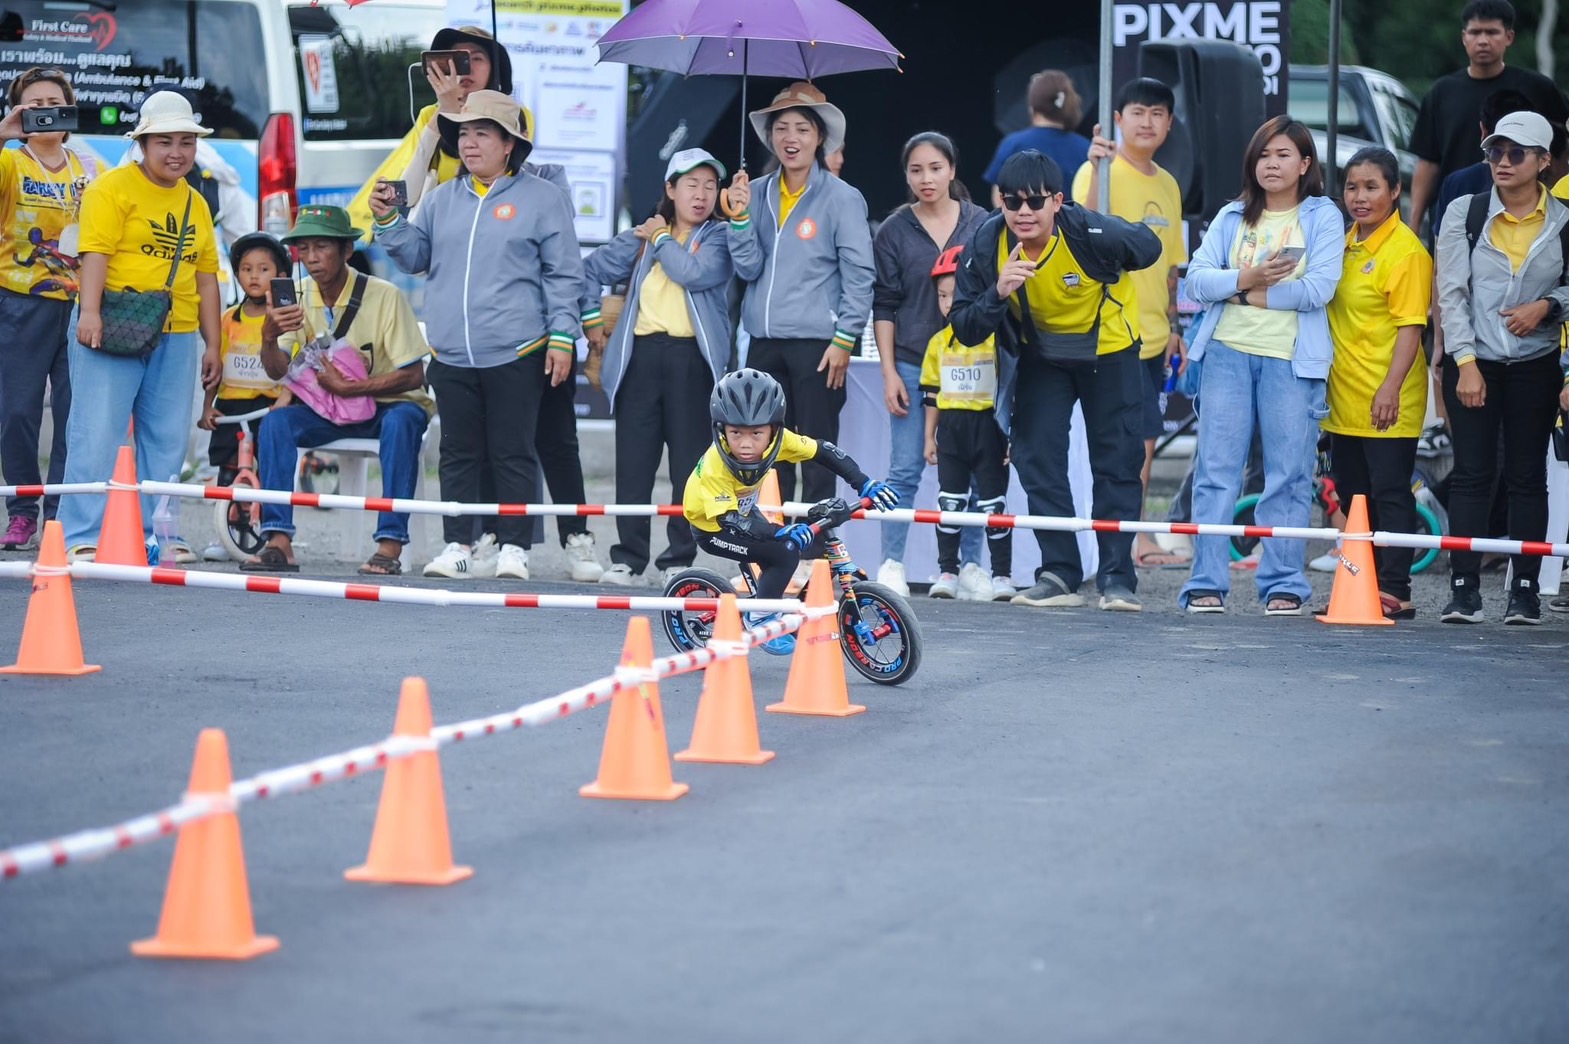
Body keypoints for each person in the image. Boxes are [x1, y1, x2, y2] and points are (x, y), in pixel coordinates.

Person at [372, 91, 581, 581]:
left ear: (510, 144)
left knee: (513, 452)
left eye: (482, 133)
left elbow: (565, 274)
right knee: (456, 453)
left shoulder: (543, 198)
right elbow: (415, 256)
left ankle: (515, 547)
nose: (468, 143)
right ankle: (458, 545)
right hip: (450, 353)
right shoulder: (442, 198)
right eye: (463, 133)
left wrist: (563, 336)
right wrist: (388, 221)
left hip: (518, 349)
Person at [948, 150, 1161, 611]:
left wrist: (1118, 257)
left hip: (1110, 350)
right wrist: (998, 292)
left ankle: (1116, 579)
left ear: (1058, 201)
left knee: (1117, 461)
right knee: (1036, 458)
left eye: (1035, 202)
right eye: (1012, 202)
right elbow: (963, 326)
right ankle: (1059, 573)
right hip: (1042, 355)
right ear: (1000, 202)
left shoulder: (1089, 231)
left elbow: (1150, 246)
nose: (1023, 212)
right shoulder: (987, 243)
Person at [1178, 116, 1345, 616]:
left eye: (1283, 155)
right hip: (1225, 354)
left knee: (1289, 475)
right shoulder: (1232, 216)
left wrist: (1242, 293)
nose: (1272, 164)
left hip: (1291, 359)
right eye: (1264, 155)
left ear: (1305, 164)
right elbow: (1196, 281)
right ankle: (1205, 582)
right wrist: (1248, 277)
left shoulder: (1323, 216)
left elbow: (1318, 290)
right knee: (1215, 473)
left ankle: (1283, 583)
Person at [59, 91, 221, 562]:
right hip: (111, 324)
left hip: (177, 332)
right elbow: (95, 254)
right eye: (164, 141)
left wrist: (214, 344)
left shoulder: (196, 202)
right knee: (96, 433)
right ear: (143, 144)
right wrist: (89, 313)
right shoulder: (111, 188)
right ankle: (80, 535)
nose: (177, 152)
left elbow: (206, 277)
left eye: (186, 142)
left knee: (168, 440)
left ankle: (159, 535)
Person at [245, 205, 433, 575]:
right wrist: (268, 337)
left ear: (347, 250)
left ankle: (390, 545)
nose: (311, 257)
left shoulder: (385, 296)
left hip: (387, 406)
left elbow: (414, 376)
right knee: (276, 423)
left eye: (322, 246)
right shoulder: (296, 295)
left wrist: (352, 387)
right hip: (329, 409)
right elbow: (279, 372)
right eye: (304, 248)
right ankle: (278, 540)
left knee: (402, 422)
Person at [1435, 111, 1569, 625]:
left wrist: (1548, 306)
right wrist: (1465, 363)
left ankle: (1525, 592)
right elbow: (1451, 294)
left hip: (1537, 363)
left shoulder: (1564, 219)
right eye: (1495, 151)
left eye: (1516, 153)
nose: (1502, 162)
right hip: (1475, 360)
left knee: (1527, 477)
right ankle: (1463, 591)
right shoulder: (1465, 211)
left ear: (1544, 160)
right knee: (1471, 474)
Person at [581, 149, 733, 586]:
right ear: (670, 189)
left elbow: (693, 273)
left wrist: (662, 238)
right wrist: (591, 320)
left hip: (692, 360)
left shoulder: (719, 237)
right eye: (691, 185)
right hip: (641, 357)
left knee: (689, 466)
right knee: (634, 463)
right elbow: (589, 270)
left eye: (710, 186)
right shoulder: (643, 237)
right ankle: (628, 558)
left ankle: (678, 560)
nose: (701, 195)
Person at [726, 82, 874, 513]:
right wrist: (738, 220)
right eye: (782, 128)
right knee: (763, 453)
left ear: (820, 137)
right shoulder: (753, 192)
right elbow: (748, 269)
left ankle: (817, 545)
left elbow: (860, 274)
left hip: (818, 345)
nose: (791, 138)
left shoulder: (843, 198)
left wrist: (845, 338)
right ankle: (769, 539)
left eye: (802, 129)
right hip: (763, 342)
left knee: (816, 451)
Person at [683, 368, 898, 652]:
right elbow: (730, 520)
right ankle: (760, 620)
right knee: (784, 553)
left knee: (780, 549)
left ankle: (766, 601)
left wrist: (864, 483)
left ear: (773, 430)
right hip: (713, 527)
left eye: (756, 433)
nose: (746, 444)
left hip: (743, 512)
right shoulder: (715, 466)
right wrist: (780, 531)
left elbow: (823, 451)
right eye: (735, 433)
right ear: (721, 429)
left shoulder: (781, 440)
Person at [1072, 77, 1191, 569]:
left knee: (1143, 441)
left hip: (1154, 337)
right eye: (1138, 112)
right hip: (1108, 333)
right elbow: (1077, 232)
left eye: (1157, 113)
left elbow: (1172, 268)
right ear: (1117, 119)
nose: (1147, 122)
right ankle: (1123, 540)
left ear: (1169, 124)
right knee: (1120, 444)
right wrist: (1096, 169)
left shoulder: (1169, 184)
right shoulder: (1096, 170)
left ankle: (1134, 536)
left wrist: (1175, 328)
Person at [871, 131, 988, 596]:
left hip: (971, 364)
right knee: (904, 470)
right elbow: (884, 304)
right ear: (906, 175)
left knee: (973, 469)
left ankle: (971, 568)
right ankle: (890, 565)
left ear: (952, 170)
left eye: (936, 168)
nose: (927, 178)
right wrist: (888, 372)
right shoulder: (893, 230)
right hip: (911, 362)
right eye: (916, 170)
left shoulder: (982, 223)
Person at [1325, 148, 1434, 619]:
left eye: (1372, 187)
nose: (1360, 197)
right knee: (1353, 494)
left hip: (1388, 396)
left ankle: (1395, 589)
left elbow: (1411, 328)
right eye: (1352, 187)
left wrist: (1390, 388)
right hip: (1343, 397)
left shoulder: (1406, 252)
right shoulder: (1340, 243)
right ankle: (1360, 583)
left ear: (1395, 190)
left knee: (1390, 492)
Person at [0, 67, 96, 551]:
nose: (44, 112)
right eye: (33, 104)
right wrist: (2, 134)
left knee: (72, 414)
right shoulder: (9, 161)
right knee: (17, 413)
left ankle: (59, 512)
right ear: (18, 111)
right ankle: (22, 511)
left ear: (69, 108)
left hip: (80, 306)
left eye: (54, 103)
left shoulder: (88, 167)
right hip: (19, 302)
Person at [1407, 0, 1569, 234]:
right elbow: (1428, 162)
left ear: (1509, 37)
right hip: (1455, 215)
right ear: (1464, 37)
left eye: (1492, 32)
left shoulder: (1538, 89)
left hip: (1528, 220)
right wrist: (1413, 225)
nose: (1483, 40)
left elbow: (1562, 146)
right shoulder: (1441, 93)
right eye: (1475, 32)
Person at [920, 245, 1011, 600]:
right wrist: (929, 437)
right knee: (950, 503)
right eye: (942, 296)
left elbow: (1011, 392)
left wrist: (1011, 435)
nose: (948, 303)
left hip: (989, 428)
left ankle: (1001, 575)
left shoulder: (997, 337)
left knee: (993, 505)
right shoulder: (938, 343)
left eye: (955, 295)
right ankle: (948, 571)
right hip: (952, 430)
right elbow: (931, 394)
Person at [197, 233, 294, 486]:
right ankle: (229, 506)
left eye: (263, 269)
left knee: (268, 471)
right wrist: (207, 406)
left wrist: (286, 399)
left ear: (280, 275)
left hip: (269, 407)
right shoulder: (228, 319)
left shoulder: (285, 319)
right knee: (227, 472)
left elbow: (297, 365)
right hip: (230, 407)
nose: (253, 276)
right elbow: (215, 366)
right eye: (246, 269)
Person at [983, 71, 1091, 207]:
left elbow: (999, 197)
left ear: (1032, 106)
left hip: (1021, 219)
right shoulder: (1085, 148)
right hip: (1071, 220)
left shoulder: (1013, 143)